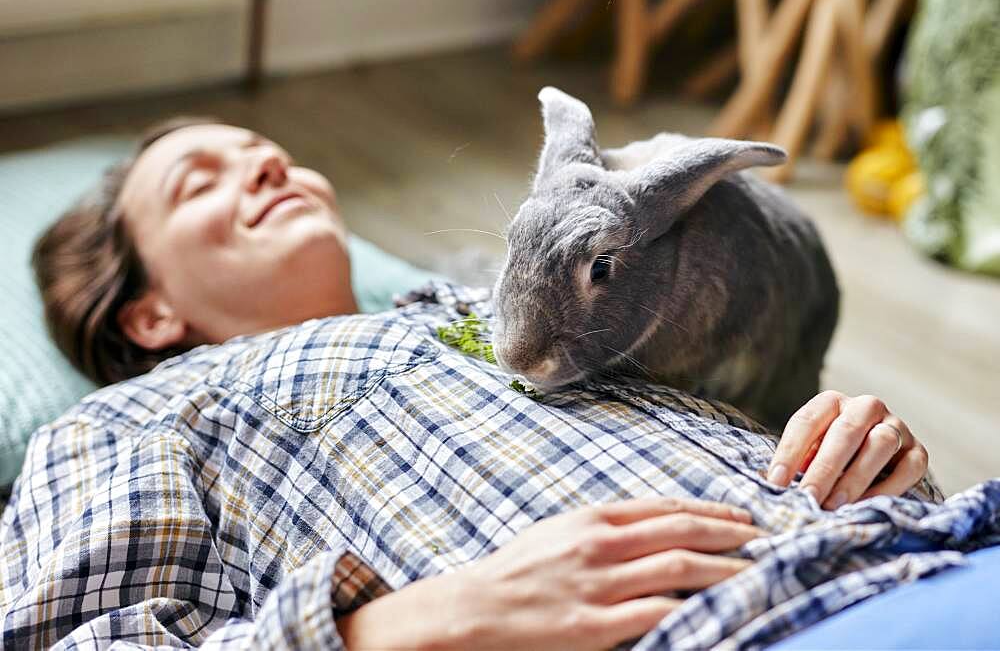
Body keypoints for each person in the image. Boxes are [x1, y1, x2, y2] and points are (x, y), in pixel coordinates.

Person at [1, 119, 990, 650]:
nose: (263, 158)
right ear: (149, 316)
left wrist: (850, 442)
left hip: (929, 553)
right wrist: (409, 624)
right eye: (200, 179)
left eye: (262, 150)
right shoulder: (126, 429)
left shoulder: (523, 314)